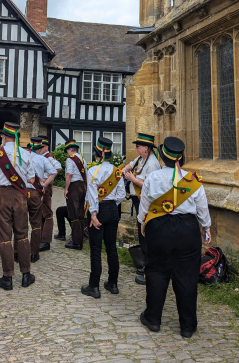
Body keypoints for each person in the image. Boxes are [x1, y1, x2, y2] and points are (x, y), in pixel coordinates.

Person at [137, 136, 211, 338]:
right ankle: (187, 326)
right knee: (187, 276)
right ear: (181, 158)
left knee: (157, 272)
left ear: (162, 157)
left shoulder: (152, 178)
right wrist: (207, 228)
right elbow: (202, 208)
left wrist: (143, 224)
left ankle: (153, 319)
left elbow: (144, 207)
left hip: (159, 229)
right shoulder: (193, 181)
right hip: (187, 228)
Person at [0, 122, 36, 290]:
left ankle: (7, 278)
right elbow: (32, 180)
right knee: (22, 234)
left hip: (2, 196)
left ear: (4, 136)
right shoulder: (26, 154)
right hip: (20, 196)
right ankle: (26, 274)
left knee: (5, 236)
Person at [81, 137, 126, 298]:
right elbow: (121, 194)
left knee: (96, 250)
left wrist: (93, 214)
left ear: (97, 154)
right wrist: (111, 204)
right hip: (113, 209)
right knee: (111, 248)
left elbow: (92, 195)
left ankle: (93, 286)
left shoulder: (93, 171)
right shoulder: (116, 171)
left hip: (98, 211)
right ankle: (112, 283)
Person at [122, 133, 161, 285]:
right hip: (138, 200)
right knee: (141, 232)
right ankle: (145, 263)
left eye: (138, 146)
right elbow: (130, 165)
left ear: (146, 147)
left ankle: (148, 268)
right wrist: (124, 170)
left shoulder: (152, 164)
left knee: (145, 233)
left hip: (145, 202)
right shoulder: (141, 158)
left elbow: (149, 187)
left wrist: (132, 179)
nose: (136, 148)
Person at [21, 137, 57, 261]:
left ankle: (19, 252)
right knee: (36, 222)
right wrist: (44, 185)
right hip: (36, 192)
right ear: (40, 148)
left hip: (23, 192)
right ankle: (34, 253)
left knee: (21, 222)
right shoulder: (42, 159)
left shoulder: (23, 157)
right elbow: (53, 172)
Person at [38, 135, 62, 251]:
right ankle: (41, 238)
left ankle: (46, 241)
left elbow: (58, 167)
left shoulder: (48, 157)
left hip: (45, 187)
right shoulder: (40, 156)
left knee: (47, 213)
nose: (40, 148)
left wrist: (47, 179)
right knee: (40, 212)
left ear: (46, 147)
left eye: (42, 146)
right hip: (40, 186)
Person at [64, 139, 87, 250]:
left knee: (73, 213)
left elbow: (69, 174)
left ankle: (76, 241)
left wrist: (66, 189)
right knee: (81, 213)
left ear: (70, 150)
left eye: (67, 150)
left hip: (74, 187)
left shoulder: (70, 159)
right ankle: (80, 238)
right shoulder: (83, 159)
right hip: (83, 186)